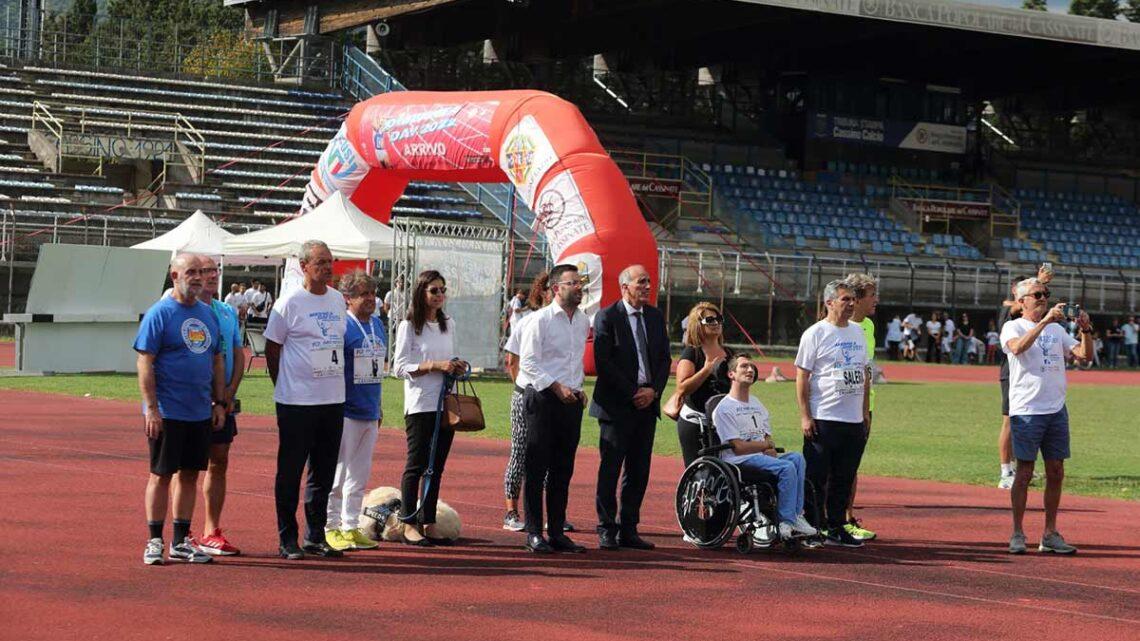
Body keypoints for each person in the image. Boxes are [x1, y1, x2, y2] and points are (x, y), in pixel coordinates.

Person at [135, 253, 226, 565]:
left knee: (189, 475)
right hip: (168, 411)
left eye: (202, 272)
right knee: (161, 475)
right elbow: (144, 361)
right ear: (174, 276)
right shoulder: (160, 314)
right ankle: (155, 540)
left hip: (199, 411)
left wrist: (219, 402)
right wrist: (151, 408)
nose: (198, 277)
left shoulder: (208, 314)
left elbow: (216, 359)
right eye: (191, 272)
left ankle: (181, 540)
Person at [264, 240, 347, 560]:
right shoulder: (289, 304)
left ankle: (316, 535)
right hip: (296, 401)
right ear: (304, 267)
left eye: (330, 261)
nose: (328, 267)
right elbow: (273, 348)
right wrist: (283, 383)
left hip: (332, 399)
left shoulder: (338, 300)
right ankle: (287, 538)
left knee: (323, 472)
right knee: (290, 471)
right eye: (321, 262)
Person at [1001, 278, 1093, 555]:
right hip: (1027, 411)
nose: (1043, 298)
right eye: (1037, 294)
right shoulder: (1013, 326)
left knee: (1056, 472)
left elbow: (1083, 355)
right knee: (1024, 473)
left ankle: (1050, 533)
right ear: (1021, 302)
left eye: (1046, 294)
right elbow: (1018, 348)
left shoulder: (1056, 328)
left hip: (1055, 409)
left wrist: (1086, 330)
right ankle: (1017, 532)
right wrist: (1043, 324)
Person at [592, 265, 671, 551]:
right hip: (616, 407)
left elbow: (664, 359)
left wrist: (653, 392)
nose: (648, 287)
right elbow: (604, 363)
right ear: (625, 287)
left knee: (638, 471)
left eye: (649, 282)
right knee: (610, 469)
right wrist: (633, 392)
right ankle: (605, 527)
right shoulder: (607, 316)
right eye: (641, 282)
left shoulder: (654, 316)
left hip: (646, 406)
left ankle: (629, 528)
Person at [392, 270, 469, 546]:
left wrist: (455, 366)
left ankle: (428, 520)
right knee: (416, 464)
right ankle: (407, 521)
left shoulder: (449, 323)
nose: (439, 295)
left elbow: (449, 358)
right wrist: (434, 366)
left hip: (444, 402)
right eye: (434, 290)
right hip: (420, 403)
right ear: (422, 292)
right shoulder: (409, 326)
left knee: (436, 466)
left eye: (442, 290)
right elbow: (398, 368)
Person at [517, 263, 590, 554]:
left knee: (563, 470)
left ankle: (557, 531)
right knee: (536, 468)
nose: (579, 287)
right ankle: (534, 532)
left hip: (571, 402)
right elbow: (529, 363)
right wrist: (557, 387)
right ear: (556, 288)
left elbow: (574, 361)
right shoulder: (540, 320)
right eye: (573, 283)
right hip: (543, 399)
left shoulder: (583, 321)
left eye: (580, 283)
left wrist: (578, 389)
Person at [794, 279, 869, 548]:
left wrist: (864, 412)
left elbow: (864, 372)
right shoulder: (815, 333)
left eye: (853, 299)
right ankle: (813, 527)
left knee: (844, 476)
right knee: (816, 476)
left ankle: (836, 526)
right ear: (829, 303)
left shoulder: (858, 332)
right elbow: (802, 376)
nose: (851, 304)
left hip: (852, 419)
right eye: (845, 299)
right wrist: (805, 415)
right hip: (823, 417)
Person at [712, 355, 818, 541]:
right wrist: (765, 446)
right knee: (786, 467)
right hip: (739, 461)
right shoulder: (724, 408)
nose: (750, 370)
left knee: (797, 459)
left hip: (759, 456)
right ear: (731, 374)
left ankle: (796, 516)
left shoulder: (757, 404)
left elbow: (767, 437)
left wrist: (769, 448)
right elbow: (737, 447)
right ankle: (786, 521)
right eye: (744, 366)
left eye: (752, 367)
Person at [324, 270, 386, 553]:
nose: (371, 299)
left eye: (373, 293)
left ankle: (351, 525)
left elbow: (376, 370)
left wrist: (379, 405)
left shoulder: (377, 325)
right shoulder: (342, 326)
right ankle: (331, 527)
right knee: (337, 475)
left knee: (359, 476)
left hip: (369, 410)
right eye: (364, 294)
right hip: (345, 410)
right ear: (347, 298)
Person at [188, 257, 245, 557]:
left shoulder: (226, 311)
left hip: (224, 401)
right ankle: (181, 530)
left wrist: (229, 393)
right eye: (203, 271)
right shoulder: (181, 310)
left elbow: (236, 352)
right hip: (192, 402)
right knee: (185, 467)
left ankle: (212, 530)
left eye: (214, 271)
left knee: (218, 461)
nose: (210, 276)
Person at [501, 272, 550, 532]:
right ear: (542, 292)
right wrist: (521, 386)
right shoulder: (528, 321)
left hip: (548, 396)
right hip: (527, 394)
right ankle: (511, 511)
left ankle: (551, 513)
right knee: (520, 452)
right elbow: (512, 360)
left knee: (550, 456)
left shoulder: (567, 321)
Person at [997, 267, 1052, 490]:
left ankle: (1020, 467)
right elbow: (1015, 307)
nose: (1039, 297)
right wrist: (1038, 281)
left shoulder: (1029, 313)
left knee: (1027, 422)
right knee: (1009, 422)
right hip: (1012, 373)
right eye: (1034, 293)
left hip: (1029, 373)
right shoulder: (1008, 311)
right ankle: (1005, 472)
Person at [842, 272, 878, 542]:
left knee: (851, 465)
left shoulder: (868, 326)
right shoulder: (833, 327)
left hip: (864, 405)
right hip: (837, 406)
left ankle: (847, 517)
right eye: (872, 295)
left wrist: (866, 408)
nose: (876, 300)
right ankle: (832, 519)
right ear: (857, 299)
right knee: (834, 467)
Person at [674, 302, 732, 467]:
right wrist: (706, 369)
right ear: (697, 325)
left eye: (719, 319)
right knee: (699, 471)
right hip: (696, 423)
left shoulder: (729, 353)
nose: (716, 323)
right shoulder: (692, 353)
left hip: (724, 423)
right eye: (710, 320)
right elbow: (682, 388)